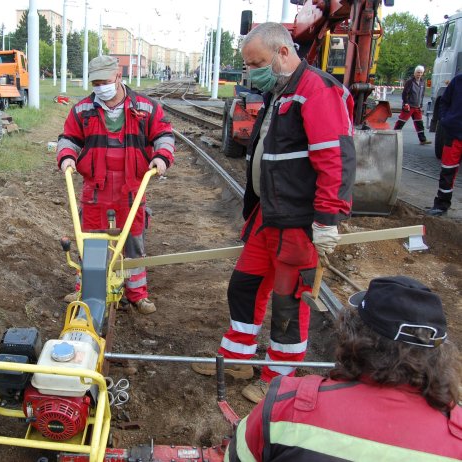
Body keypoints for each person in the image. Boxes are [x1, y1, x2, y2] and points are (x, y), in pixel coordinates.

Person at [191, 23, 356, 405]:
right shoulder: (281, 91)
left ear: (283, 52)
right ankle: (238, 356)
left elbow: (335, 158)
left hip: (298, 223)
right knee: (244, 286)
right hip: (269, 216)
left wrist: (327, 219)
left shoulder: (316, 89)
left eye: (257, 63)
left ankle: (278, 378)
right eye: (248, 65)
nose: (251, 72)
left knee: (288, 301)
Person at [227, 276, 462, 461]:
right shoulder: (457, 435)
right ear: (439, 352)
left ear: (352, 335)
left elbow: (237, 456)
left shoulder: (284, 406)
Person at [56, 55, 175, 315]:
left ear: (118, 77)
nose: (100, 87)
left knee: (132, 242)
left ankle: (137, 294)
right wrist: (66, 157)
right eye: (95, 83)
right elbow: (68, 138)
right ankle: (85, 289)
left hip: (131, 188)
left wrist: (161, 156)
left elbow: (164, 134)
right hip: (96, 189)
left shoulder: (146, 107)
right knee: (90, 242)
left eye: (105, 81)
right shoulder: (83, 110)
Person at [427, 72, 462, 216]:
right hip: (453, 135)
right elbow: (444, 101)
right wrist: (444, 119)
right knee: (447, 172)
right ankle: (441, 205)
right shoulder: (458, 81)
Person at [394, 65, 432, 145]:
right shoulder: (410, 82)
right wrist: (406, 103)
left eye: (421, 73)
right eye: (418, 72)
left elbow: (422, 94)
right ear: (415, 73)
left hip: (417, 107)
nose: (419, 74)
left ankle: (423, 140)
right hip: (409, 106)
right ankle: (393, 137)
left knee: (419, 124)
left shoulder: (422, 82)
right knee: (401, 122)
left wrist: (420, 103)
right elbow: (405, 93)